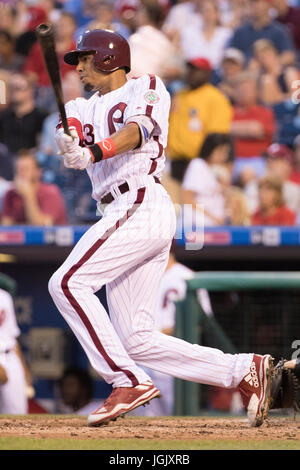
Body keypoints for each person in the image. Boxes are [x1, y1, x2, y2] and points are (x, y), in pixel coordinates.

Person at [49, 28, 275, 428]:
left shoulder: (148, 86)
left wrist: (93, 151)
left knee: (66, 283)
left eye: (84, 58)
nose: (79, 66)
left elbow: (137, 132)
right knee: (136, 337)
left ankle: (125, 380)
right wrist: (69, 145)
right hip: (118, 209)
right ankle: (244, 370)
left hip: (141, 200)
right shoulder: (79, 107)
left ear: (107, 57)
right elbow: (75, 137)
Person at [167, 57, 233, 183]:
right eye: (190, 70)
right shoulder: (180, 95)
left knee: (196, 202)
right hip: (176, 160)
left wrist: (209, 162)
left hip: (200, 162)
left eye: (197, 70)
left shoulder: (216, 98)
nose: (192, 73)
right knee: (177, 200)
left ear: (207, 74)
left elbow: (217, 137)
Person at [1, 150, 67, 226]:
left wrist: (29, 196)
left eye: (25, 169)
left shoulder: (50, 192)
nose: (21, 173)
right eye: (18, 169)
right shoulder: (10, 194)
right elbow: (6, 228)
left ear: (38, 172)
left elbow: (42, 228)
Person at [230, 72, 275, 182]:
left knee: (248, 174)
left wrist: (231, 128)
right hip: (232, 160)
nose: (244, 93)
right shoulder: (228, 112)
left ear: (256, 92)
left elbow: (258, 130)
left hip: (258, 160)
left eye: (248, 89)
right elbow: (218, 129)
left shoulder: (265, 112)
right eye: (240, 89)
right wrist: (248, 128)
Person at [182, 133, 233, 227]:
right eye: (220, 151)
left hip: (216, 222)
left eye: (226, 152)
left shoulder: (219, 170)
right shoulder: (197, 165)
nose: (223, 156)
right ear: (210, 149)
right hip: (198, 222)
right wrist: (214, 218)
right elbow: (187, 200)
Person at [128, 0, 182, 82]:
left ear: (147, 14)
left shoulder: (137, 37)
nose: (135, 14)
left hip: (143, 86)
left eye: (139, 10)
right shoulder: (164, 40)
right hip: (152, 88)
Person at [228, 0, 296, 66]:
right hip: (244, 73)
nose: (254, 5)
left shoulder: (279, 31)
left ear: (268, 4)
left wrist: (266, 64)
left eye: (257, 2)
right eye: (251, 2)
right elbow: (230, 55)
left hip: (271, 74)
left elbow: (289, 56)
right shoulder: (240, 31)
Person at [0, 285, 32, 414]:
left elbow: (12, 337)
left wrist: (25, 371)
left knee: (18, 412)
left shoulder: (4, 296)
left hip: (9, 355)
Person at [0, 73, 48, 157]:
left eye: (19, 87)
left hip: (34, 162)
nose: (14, 91)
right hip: (8, 162)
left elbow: (45, 147)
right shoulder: (4, 116)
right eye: (12, 88)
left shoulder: (42, 116)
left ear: (31, 90)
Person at [244, 143, 300, 215]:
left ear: (286, 164)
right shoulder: (253, 185)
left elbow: (292, 219)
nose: (268, 163)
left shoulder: (294, 191)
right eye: (267, 158)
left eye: (274, 159)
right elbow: (250, 213)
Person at [180, 0, 233, 69]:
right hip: (194, 72)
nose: (208, 15)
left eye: (210, 11)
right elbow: (186, 56)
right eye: (205, 11)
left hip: (216, 74)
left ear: (217, 14)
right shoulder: (189, 32)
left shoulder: (226, 34)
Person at [251, 39, 299, 106]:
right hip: (270, 109)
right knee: (267, 80)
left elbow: (296, 97)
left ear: (274, 54)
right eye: (261, 57)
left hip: (290, 107)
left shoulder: (288, 72)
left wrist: (277, 97)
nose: (265, 59)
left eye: (267, 54)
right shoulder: (260, 76)